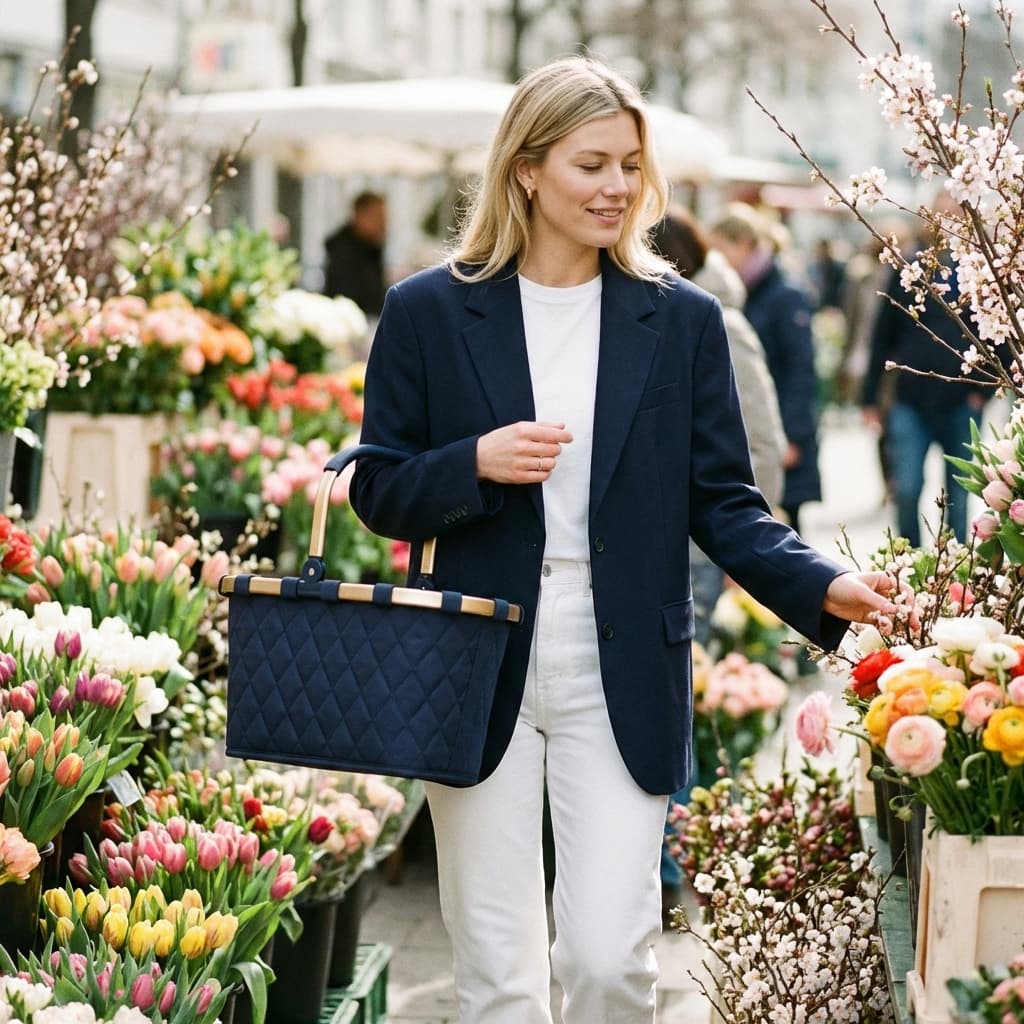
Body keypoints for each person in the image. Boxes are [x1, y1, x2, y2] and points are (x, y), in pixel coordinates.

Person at [349, 55, 896, 1024]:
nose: (617, 187)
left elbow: (723, 499)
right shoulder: (427, 310)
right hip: (472, 657)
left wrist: (819, 586)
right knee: (497, 974)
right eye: (591, 164)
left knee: (608, 961)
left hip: (624, 655)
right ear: (526, 169)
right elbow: (379, 488)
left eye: (630, 166)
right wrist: (474, 462)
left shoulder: (682, 319)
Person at [860, 228, 987, 546]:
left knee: (959, 494)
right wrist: (869, 398)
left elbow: (992, 334)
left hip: (961, 402)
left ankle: (957, 562)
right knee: (905, 488)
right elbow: (882, 336)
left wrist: (982, 393)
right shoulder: (907, 269)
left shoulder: (976, 272)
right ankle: (911, 559)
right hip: (910, 400)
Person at [709, 205, 822, 536]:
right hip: (758, 432)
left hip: (781, 431)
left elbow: (800, 370)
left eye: (721, 249)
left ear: (744, 244)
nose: (716, 260)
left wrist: (791, 436)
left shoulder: (784, 294)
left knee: (784, 530)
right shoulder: (744, 292)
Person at [322, 190, 388, 317]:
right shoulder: (343, 253)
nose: (384, 225)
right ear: (361, 215)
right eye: (379, 217)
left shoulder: (370, 249)